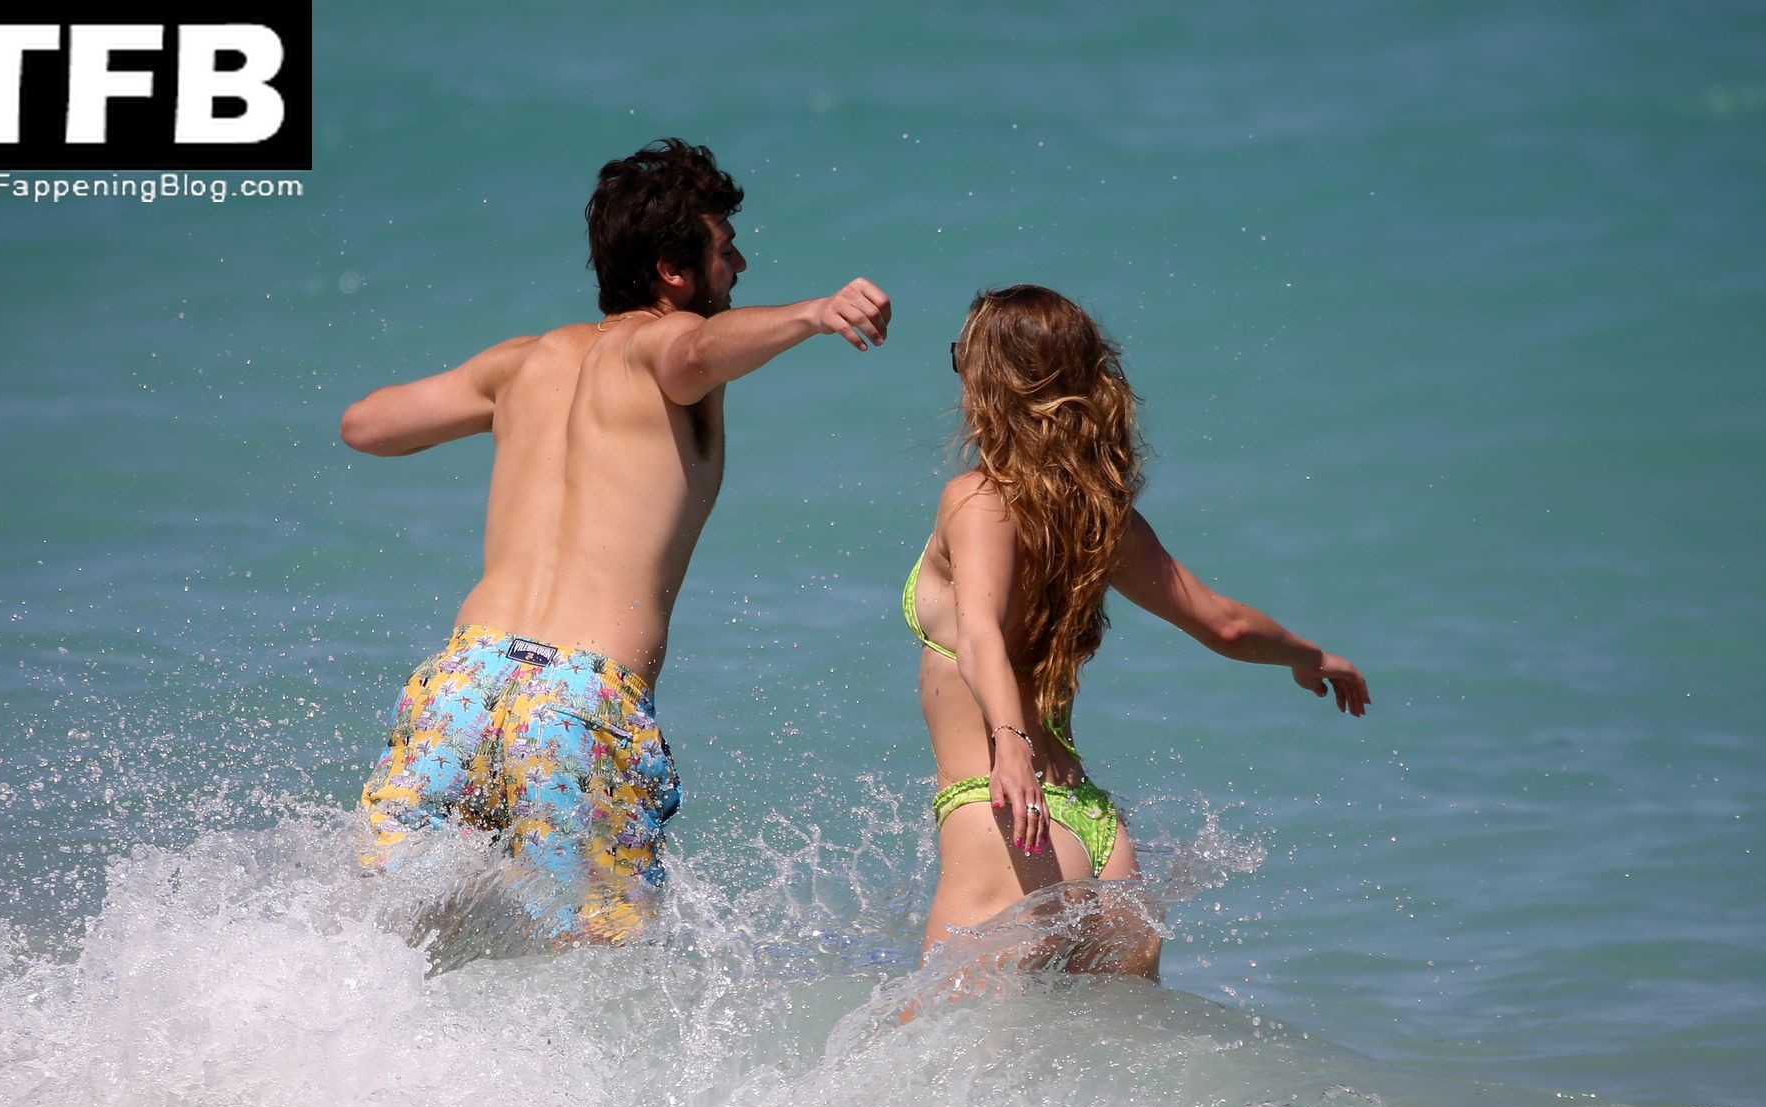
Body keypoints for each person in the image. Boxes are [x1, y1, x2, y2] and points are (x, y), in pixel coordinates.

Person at [341, 138, 891, 945]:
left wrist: (508, 407)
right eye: (726, 249)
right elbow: (696, 350)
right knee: (600, 960)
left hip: (462, 684)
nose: (740, 266)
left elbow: (365, 426)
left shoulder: (520, 363)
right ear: (674, 271)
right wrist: (813, 314)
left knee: (386, 937)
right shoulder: (665, 348)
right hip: (577, 701)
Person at [905, 284, 1367, 980]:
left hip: (1008, 817)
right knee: (1103, 1046)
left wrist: (1009, 744)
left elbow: (979, 636)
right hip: (1100, 840)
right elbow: (1224, 625)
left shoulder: (976, 500)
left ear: (991, 383)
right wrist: (1312, 655)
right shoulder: (1099, 519)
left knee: (923, 1038)